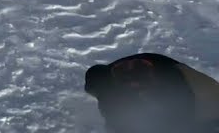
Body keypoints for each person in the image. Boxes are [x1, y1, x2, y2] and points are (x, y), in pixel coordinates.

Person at [86, 53, 219, 133]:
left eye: (139, 87)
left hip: (204, 99)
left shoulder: (174, 81)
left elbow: (181, 117)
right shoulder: (107, 81)